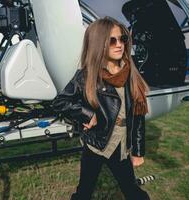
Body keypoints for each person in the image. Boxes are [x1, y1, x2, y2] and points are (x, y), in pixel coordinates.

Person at [52, 17, 150, 200]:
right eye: (112, 40)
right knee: (84, 192)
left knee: (132, 191)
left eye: (123, 39)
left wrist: (137, 152)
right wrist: (87, 115)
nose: (119, 44)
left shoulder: (131, 74)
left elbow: (138, 117)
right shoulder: (86, 75)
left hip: (120, 147)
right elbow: (60, 102)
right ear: (98, 44)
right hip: (95, 145)